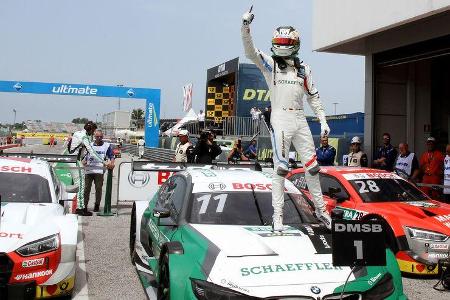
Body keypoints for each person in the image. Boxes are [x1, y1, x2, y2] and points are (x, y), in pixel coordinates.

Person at [241, 8, 332, 231]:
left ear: (294, 42)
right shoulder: (270, 64)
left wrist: (323, 120)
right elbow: (250, 52)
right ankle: (278, 216)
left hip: (301, 118)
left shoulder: (304, 69)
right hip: (280, 116)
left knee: (312, 168)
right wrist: (245, 26)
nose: (282, 44)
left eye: (285, 40)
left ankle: (321, 211)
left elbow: (314, 96)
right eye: (279, 40)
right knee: (280, 168)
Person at [68, 121, 109, 216]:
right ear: (90, 129)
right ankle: (81, 208)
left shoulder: (78, 133)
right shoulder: (84, 137)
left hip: (73, 160)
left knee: (80, 185)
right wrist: (103, 162)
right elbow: (92, 151)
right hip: (75, 161)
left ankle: (80, 206)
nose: (94, 133)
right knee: (81, 185)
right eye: (93, 131)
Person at [83, 130, 115, 214]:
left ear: (102, 136)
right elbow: (84, 156)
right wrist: (84, 161)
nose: (99, 138)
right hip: (89, 170)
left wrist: (112, 163)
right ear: (94, 137)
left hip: (99, 170)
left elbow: (112, 156)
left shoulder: (106, 146)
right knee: (86, 189)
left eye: (101, 136)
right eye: (97, 136)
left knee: (98, 188)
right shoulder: (89, 145)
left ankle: (97, 205)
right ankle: (84, 206)